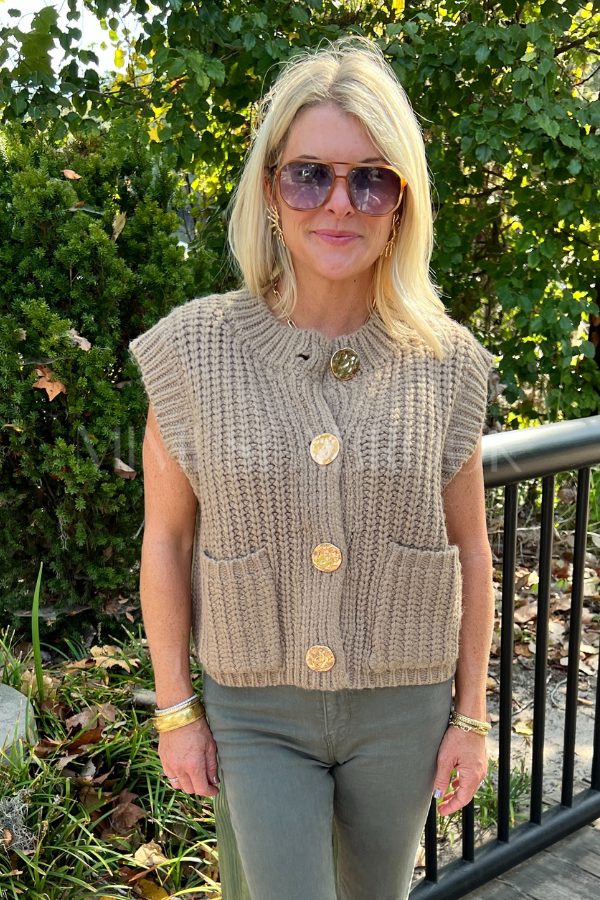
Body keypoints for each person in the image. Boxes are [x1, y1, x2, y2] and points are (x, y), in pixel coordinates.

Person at [129, 35, 496, 900]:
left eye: (372, 179)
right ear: (270, 190)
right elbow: (166, 541)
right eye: (309, 175)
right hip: (256, 712)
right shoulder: (193, 350)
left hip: (403, 708)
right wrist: (176, 708)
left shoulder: (447, 362)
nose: (340, 203)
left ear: (402, 202)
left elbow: (471, 550)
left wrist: (472, 718)